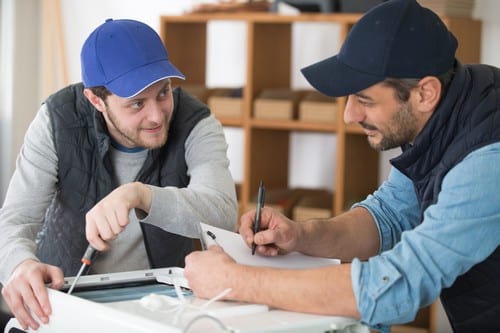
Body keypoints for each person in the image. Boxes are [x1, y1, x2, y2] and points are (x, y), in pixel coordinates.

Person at [183, 0, 500, 332]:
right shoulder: (449, 111)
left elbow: (399, 285)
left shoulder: (487, 160)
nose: (350, 115)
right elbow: (389, 216)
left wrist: (234, 281)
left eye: (364, 100)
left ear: (425, 93)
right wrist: (301, 235)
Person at [0, 18, 238, 331]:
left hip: (162, 308)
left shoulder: (196, 122)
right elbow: (15, 220)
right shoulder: (56, 121)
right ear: (96, 100)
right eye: (137, 103)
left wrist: (140, 195)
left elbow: (222, 215)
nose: (156, 115)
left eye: (163, 93)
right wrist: (20, 264)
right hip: (66, 305)